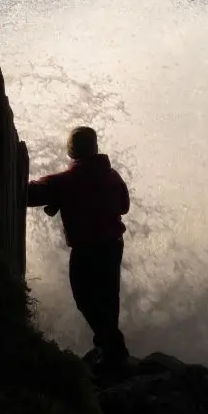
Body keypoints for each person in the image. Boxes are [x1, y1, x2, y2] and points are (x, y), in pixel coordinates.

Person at [26, 126, 131, 376]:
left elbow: (31, 195)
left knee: (85, 298)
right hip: (113, 245)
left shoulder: (67, 180)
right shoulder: (112, 176)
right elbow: (124, 206)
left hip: (87, 249)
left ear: (72, 150)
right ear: (95, 148)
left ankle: (113, 350)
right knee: (108, 298)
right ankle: (112, 354)